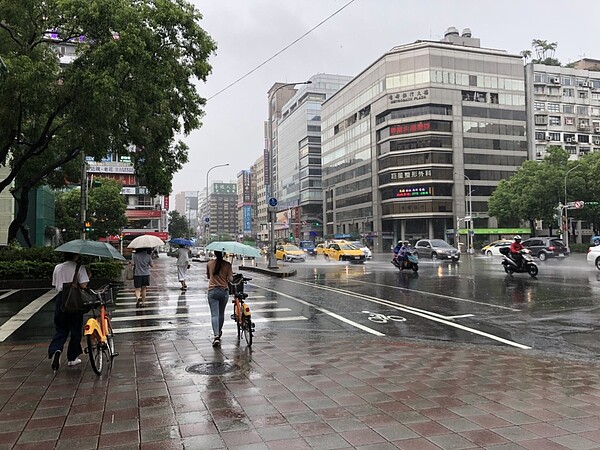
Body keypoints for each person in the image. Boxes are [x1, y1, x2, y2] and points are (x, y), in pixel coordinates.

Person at [48, 252, 90, 371]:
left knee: (61, 328)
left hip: (61, 299)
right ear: (76, 256)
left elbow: (55, 285)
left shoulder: (58, 267)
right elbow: (83, 285)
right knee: (75, 329)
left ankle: (56, 349)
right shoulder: (79, 267)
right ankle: (72, 358)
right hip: (74, 300)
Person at [206, 250, 233, 347]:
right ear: (224, 254)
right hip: (223, 291)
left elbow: (209, 277)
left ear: (215, 254)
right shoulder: (227, 265)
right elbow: (230, 279)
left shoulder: (209, 263)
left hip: (212, 291)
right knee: (221, 314)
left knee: (214, 315)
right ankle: (219, 332)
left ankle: (216, 335)